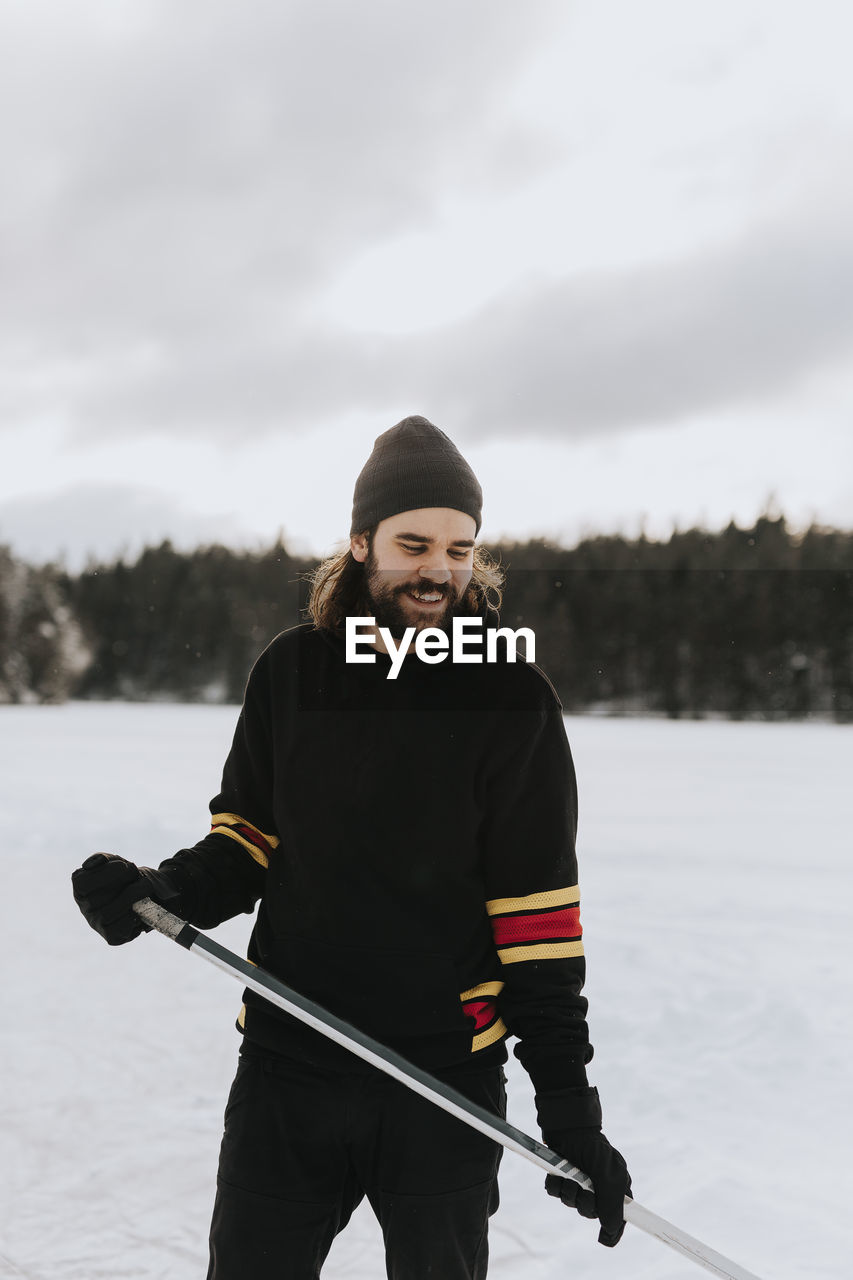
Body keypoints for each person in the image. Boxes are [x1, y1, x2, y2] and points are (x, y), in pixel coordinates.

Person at [72, 416, 632, 1280]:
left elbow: (538, 920)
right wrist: (161, 891)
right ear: (362, 541)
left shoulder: (510, 699)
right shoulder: (291, 675)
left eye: (459, 547)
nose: (438, 569)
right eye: (414, 543)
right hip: (289, 1063)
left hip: (443, 1082)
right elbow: (247, 843)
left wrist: (569, 1109)